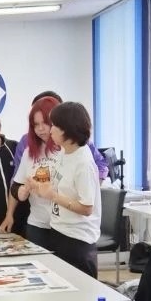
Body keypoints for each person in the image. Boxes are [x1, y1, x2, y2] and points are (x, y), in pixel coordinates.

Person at [27, 102, 101, 276]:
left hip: (77, 239)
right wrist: (39, 187)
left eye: (54, 126)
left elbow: (87, 208)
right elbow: (61, 187)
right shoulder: (63, 152)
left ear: (68, 130)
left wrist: (52, 195)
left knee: (80, 289)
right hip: (59, 231)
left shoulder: (83, 163)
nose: (50, 130)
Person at [12, 90, 109, 180]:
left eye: (45, 121)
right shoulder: (26, 142)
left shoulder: (77, 141)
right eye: (36, 123)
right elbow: (17, 179)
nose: (41, 128)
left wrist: (92, 184)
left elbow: (101, 166)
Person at [11, 96, 62, 250]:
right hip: (37, 225)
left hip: (64, 227)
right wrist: (24, 190)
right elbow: (16, 186)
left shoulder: (67, 150)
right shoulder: (29, 152)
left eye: (45, 123)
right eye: (36, 125)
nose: (40, 129)